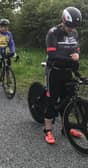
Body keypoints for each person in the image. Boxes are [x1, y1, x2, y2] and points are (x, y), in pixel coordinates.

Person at [44, 7, 82, 144]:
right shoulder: (53, 33)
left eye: (74, 27)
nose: (71, 29)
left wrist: (77, 56)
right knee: (52, 100)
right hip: (54, 71)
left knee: (67, 100)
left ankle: (65, 127)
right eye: (69, 26)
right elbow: (53, 55)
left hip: (67, 72)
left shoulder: (75, 33)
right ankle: (48, 131)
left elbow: (76, 51)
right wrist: (71, 58)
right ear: (63, 20)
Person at [0, 18, 17, 97]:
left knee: (8, 70)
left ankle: (9, 86)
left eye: (6, 26)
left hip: (6, 53)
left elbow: (11, 43)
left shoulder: (9, 34)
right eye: (2, 26)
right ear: (0, 27)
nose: (4, 28)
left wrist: (13, 52)